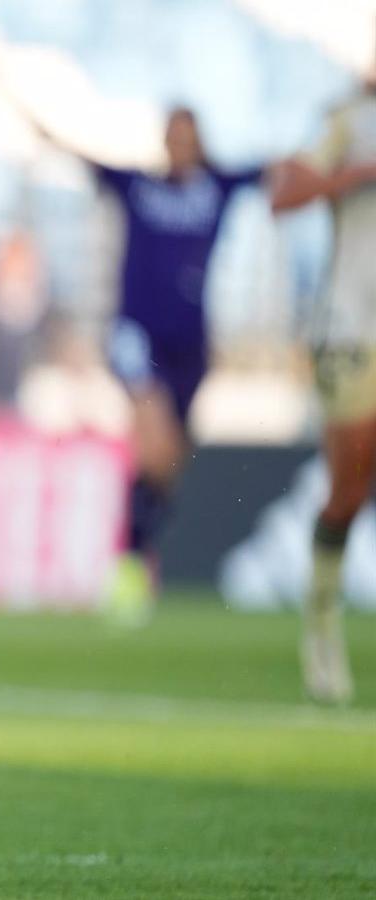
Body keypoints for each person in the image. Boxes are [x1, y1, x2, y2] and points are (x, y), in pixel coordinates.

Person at [0, 81, 270, 620]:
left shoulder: (218, 186)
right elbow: (75, 154)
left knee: (165, 466)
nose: (180, 145)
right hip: (136, 336)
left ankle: (136, 553)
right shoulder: (137, 187)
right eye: (173, 136)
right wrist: (25, 108)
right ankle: (127, 568)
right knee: (154, 438)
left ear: (200, 142)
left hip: (192, 346)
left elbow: (279, 172)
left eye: (188, 136)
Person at [270, 40, 376, 704]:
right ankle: (321, 618)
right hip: (352, 327)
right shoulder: (350, 120)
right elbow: (285, 193)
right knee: (350, 484)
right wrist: (352, 177)